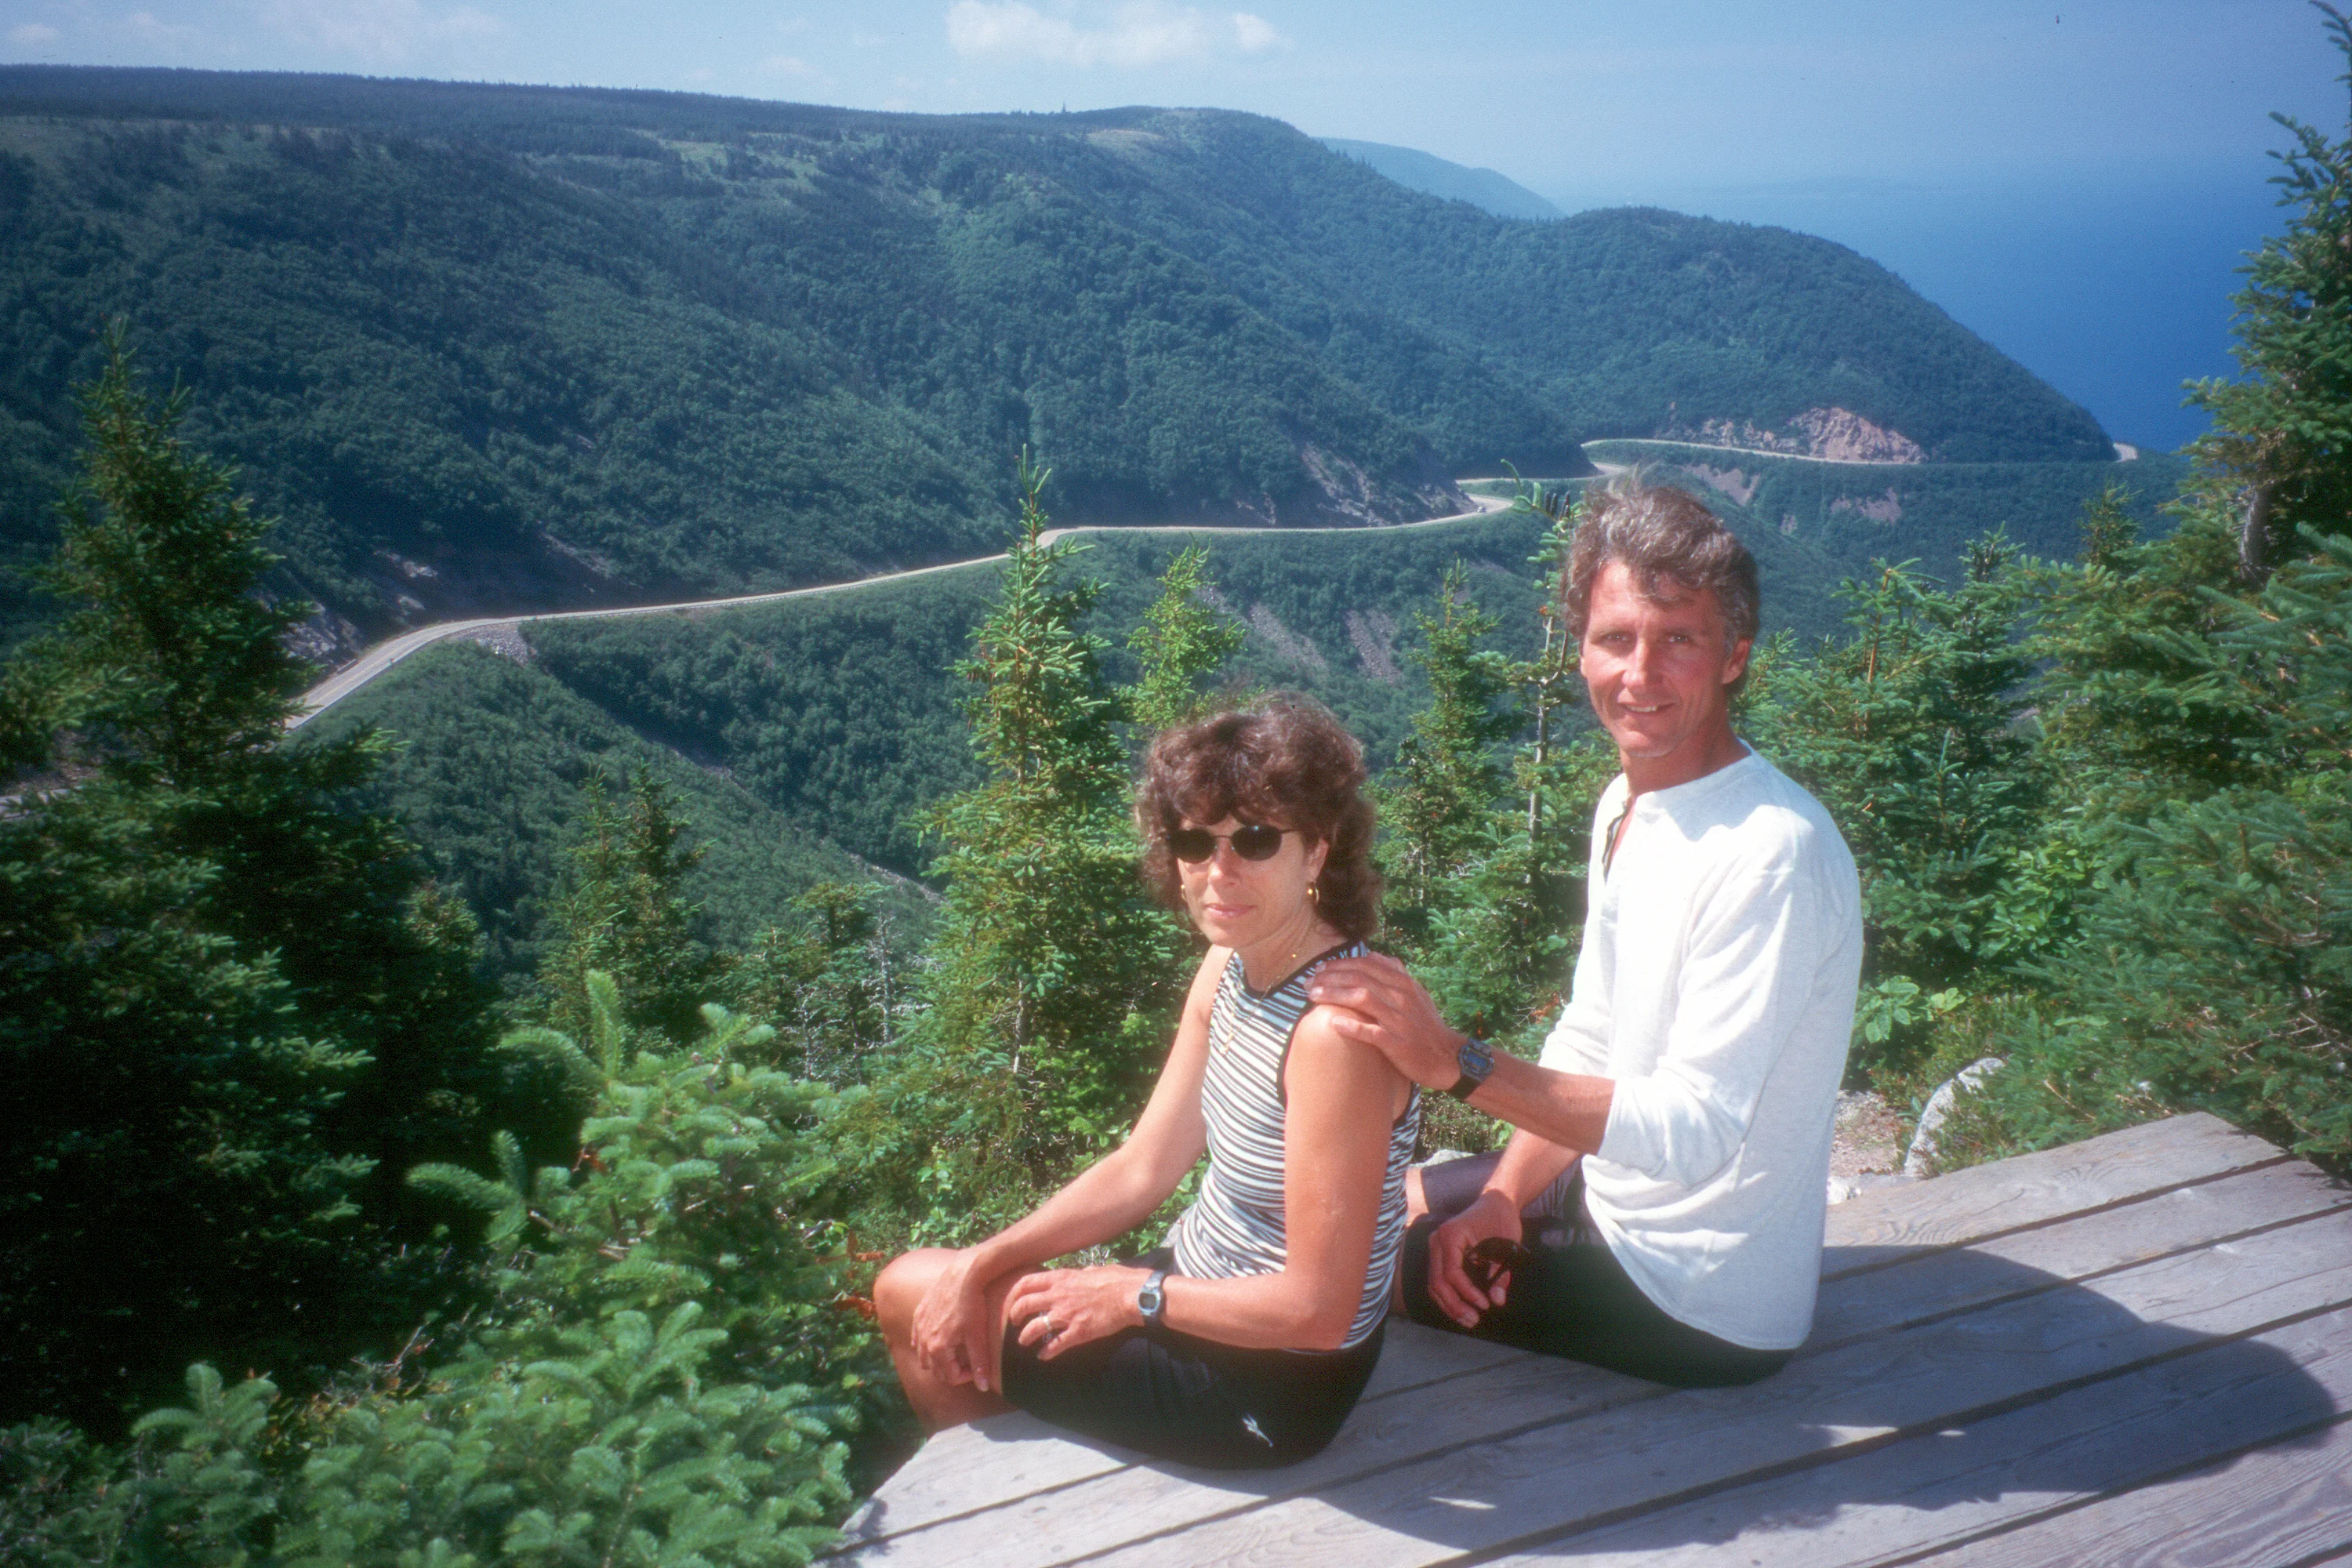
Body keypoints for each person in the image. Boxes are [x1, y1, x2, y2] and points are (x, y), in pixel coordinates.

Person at [1309, 479, 1862, 1388]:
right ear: (1580, 651)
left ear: (1735, 656)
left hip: (1692, 1294)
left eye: (1679, 638)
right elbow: (1598, 1029)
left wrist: (1456, 1062)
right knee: (1352, 1208)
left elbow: (1695, 1130)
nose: (1638, 675)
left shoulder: (1771, 853)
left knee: (1335, 1273)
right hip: (1607, 1194)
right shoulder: (1628, 802)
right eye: (1615, 638)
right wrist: (1501, 1197)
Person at [874, 696, 1420, 1468]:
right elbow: (1144, 1166)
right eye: (1196, 841)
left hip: (1265, 1378)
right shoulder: (1233, 963)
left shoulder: (1334, 1031)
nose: (1218, 871)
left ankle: (1000, 1518)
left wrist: (1130, 1297)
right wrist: (984, 1258)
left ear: (1318, 852)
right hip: (1194, 1296)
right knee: (954, 1282)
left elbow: (1320, 1310)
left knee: (904, 1290)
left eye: (1255, 839)